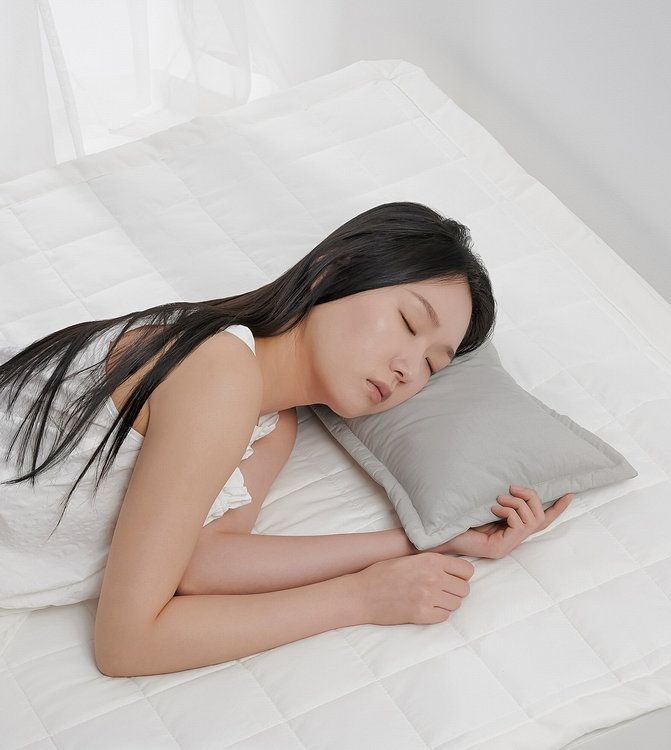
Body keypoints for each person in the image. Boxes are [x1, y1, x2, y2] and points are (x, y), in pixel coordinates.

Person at [0, 201, 574, 677]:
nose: (407, 369)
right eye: (407, 323)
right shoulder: (219, 372)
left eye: (432, 364)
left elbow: (202, 563)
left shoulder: (274, 424)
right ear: (332, 272)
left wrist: (435, 541)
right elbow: (127, 645)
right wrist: (361, 598)